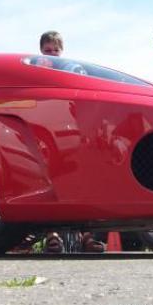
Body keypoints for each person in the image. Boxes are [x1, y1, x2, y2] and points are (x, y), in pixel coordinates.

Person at [38, 31, 104, 254]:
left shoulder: (73, 70)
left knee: (81, 183)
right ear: (42, 52)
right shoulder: (36, 72)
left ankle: (87, 236)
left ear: (62, 50)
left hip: (71, 134)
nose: (52, 53)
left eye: (55, 50)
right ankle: (52, 235)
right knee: (49, 185)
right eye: (48, 50)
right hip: (46, 135)